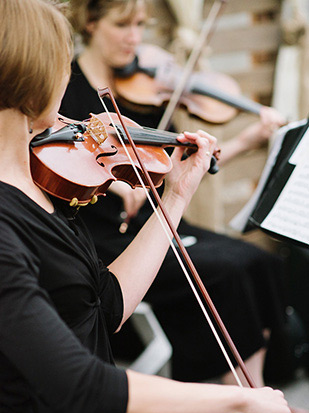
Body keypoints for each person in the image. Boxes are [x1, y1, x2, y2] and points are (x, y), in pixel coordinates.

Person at [0, 0, 304, 413]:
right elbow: (85, 388)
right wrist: (240, 399)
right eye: (64, 63)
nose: (69, 79)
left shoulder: (41, 187)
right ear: (36, 75)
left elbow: (103, 308)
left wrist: (175, 197)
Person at [60, 0, 289, 388]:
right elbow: (56, 157)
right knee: (227, 271)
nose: (134, 38)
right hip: (106, 237)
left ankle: (262, 391)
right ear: (91, 24)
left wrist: (248, 139)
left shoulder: (140, 93)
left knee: (258, 260)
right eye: (122, 25)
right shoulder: (67, 91)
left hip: (155, 221)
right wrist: (111, 180)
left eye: (140, 25)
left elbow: (174, 168)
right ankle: (246, 405)